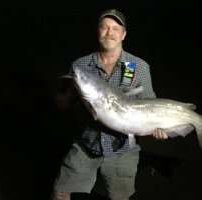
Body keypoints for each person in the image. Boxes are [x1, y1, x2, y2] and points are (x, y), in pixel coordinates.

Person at [51, 8, 168, 200]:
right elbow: (62, 104)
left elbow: (150, 102)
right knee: (60, 193)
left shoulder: (138, 66)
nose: (109, 33)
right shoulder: (81, 65)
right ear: (98, 31)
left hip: (123, 150)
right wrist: (74, 89)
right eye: (104, 28)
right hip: (86, 144)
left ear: (124, 34)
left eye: (115, 28)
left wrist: (159, 126)